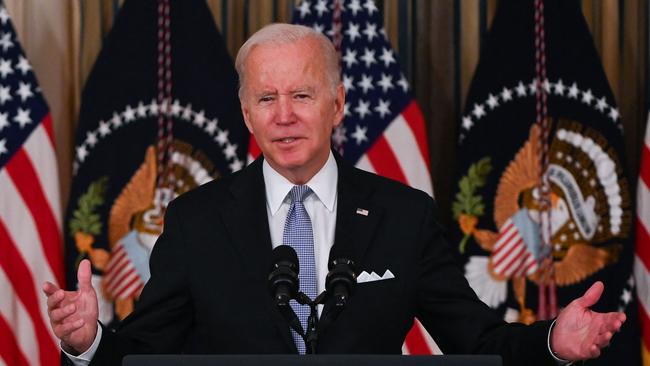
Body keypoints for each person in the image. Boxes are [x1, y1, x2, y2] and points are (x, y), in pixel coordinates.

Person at [43, 23, 625, 366]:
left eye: (302, 94)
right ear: (246, 114)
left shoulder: (403, 215)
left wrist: (552, 341)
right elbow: (145, 355)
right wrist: (89, 340)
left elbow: (477, 339)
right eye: (267, 99)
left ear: (338, 104)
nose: (285, 116)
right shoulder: (195, 221)